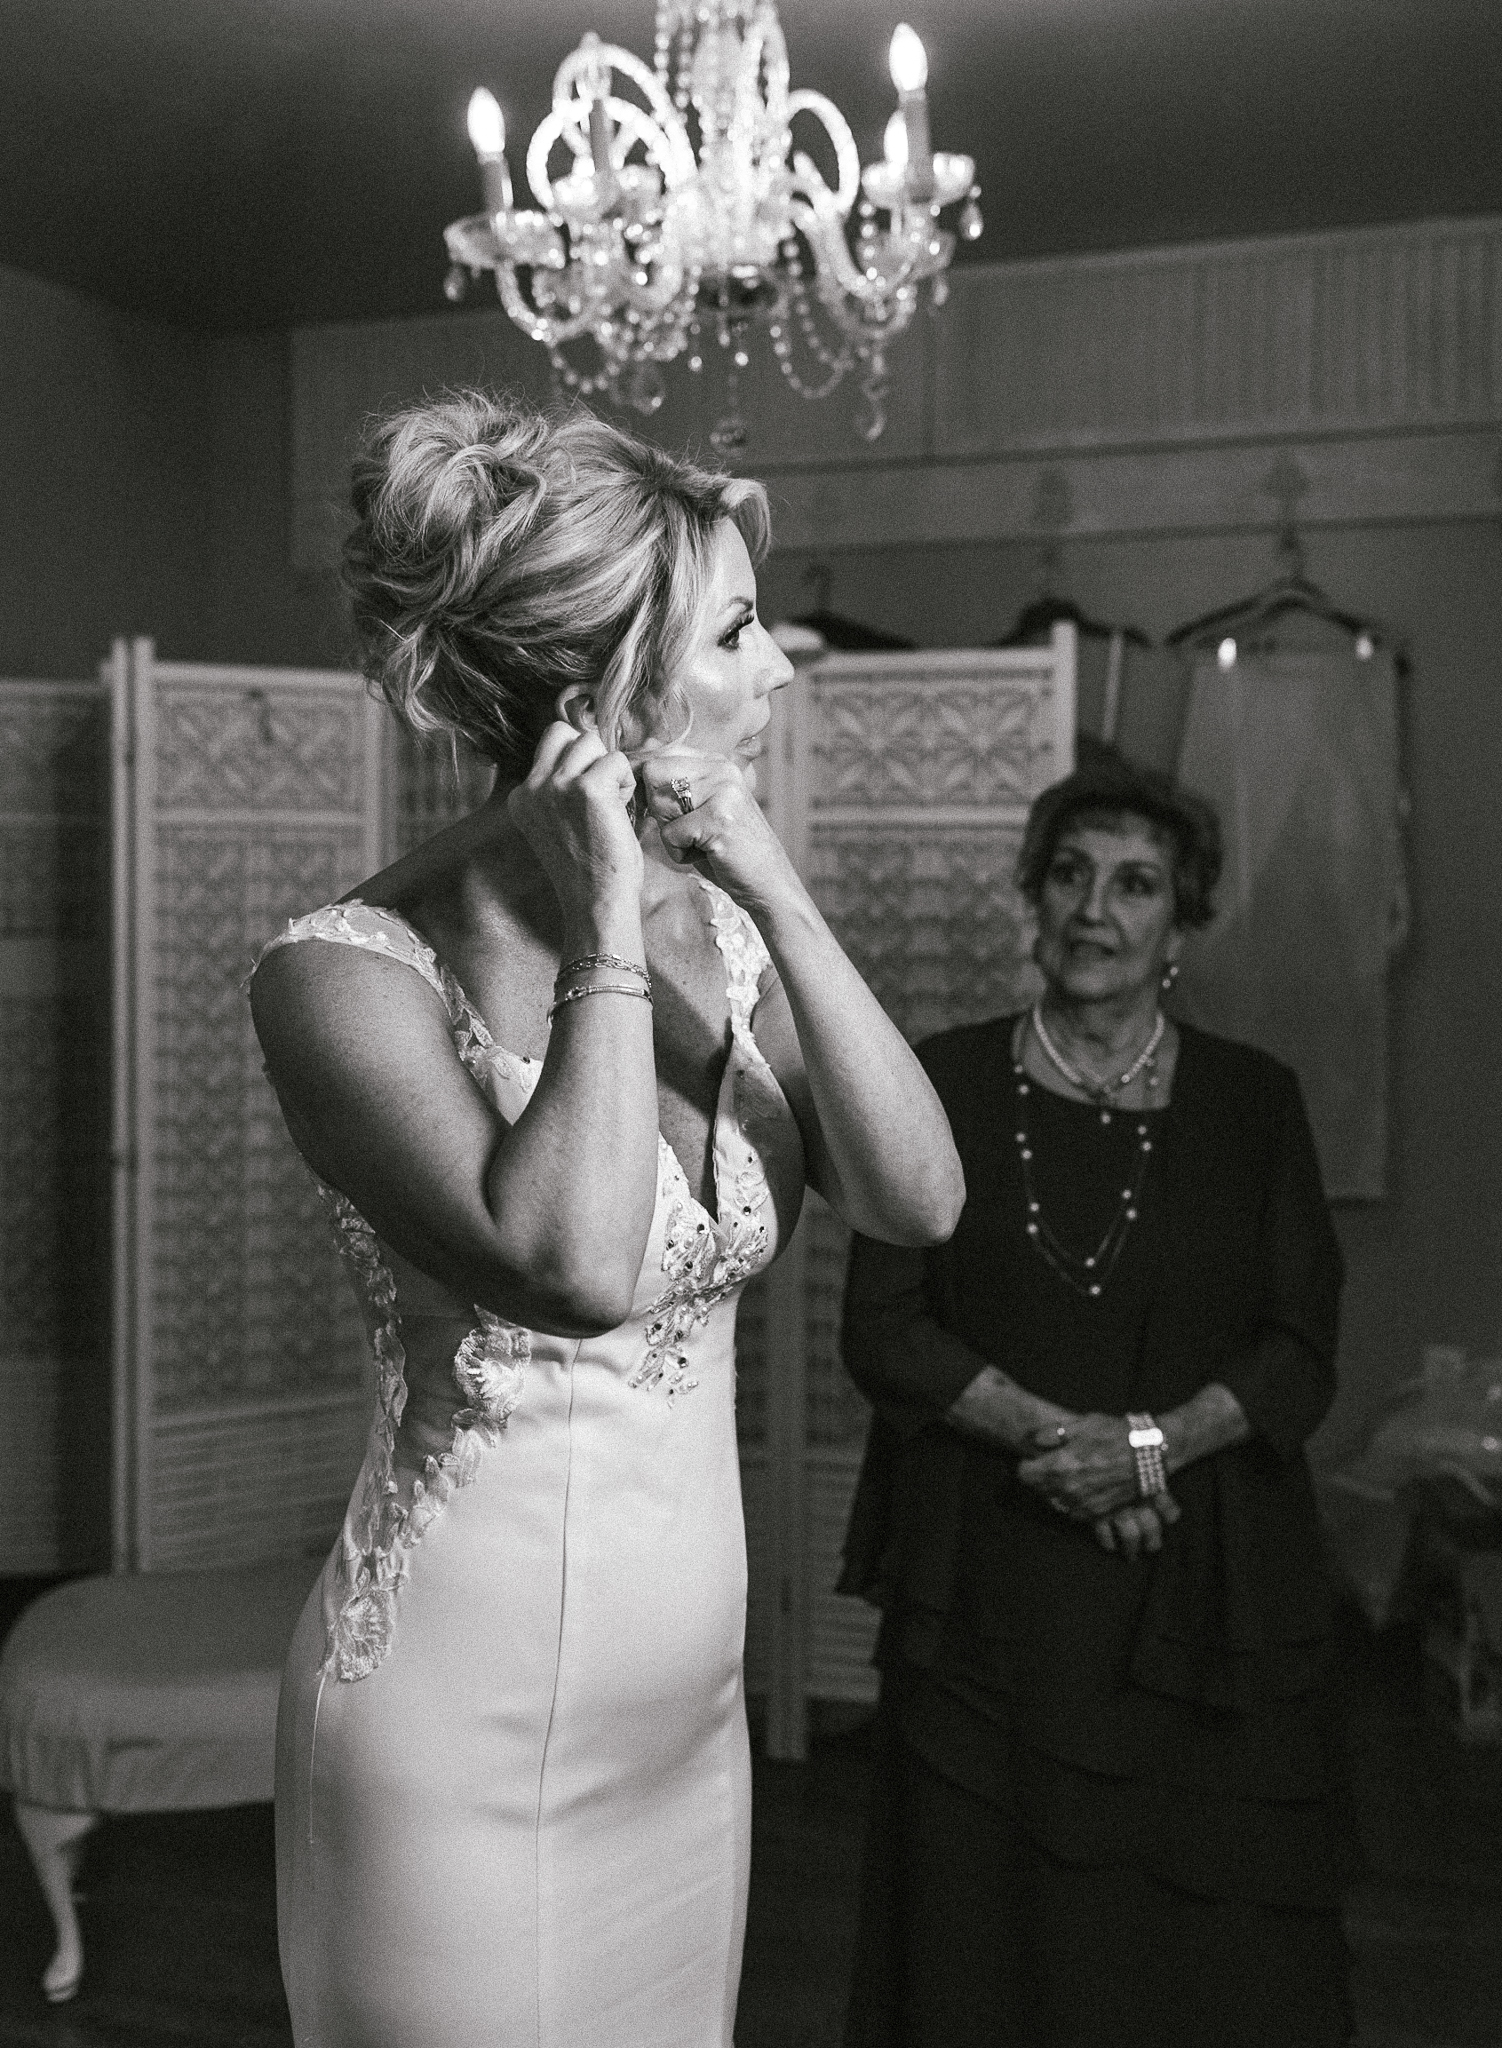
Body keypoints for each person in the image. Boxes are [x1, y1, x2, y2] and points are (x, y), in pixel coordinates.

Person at [248, 393, 964, 2048]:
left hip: (686, 1731)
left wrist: (765, 883)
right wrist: (600, 927)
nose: (782, 665)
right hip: (455, 1732)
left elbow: (915, 1199)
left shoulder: (725, 920)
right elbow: (573, 1264)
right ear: (604, 687)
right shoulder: (342, 974)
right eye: (736, 631)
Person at [838, 745, 1356, 2048]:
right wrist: (1072, 1444)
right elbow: (884, 1328)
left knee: (1192, 1936)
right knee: (978, 1926)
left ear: (1180, 922)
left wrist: (1154, 1447)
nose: (1092, 909)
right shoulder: (936, 1083)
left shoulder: (1253, 1102)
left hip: (1200, 1582)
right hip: (987, 1582)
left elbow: (1299, 1347)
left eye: (1134, 884)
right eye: (1067, 874)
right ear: (1030, 895)